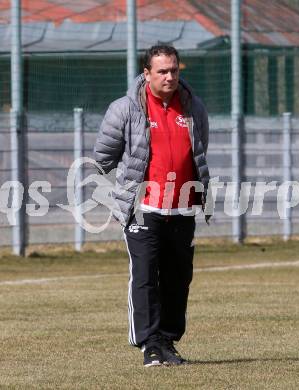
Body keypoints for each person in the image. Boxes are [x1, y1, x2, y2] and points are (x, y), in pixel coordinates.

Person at [94, 45, 210, 367]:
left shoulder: (193, 108)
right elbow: (102, 158)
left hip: (183, 207)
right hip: (143, 209)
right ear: (146, 74)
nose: (170, 76)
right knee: (145, 277)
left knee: (178, 277)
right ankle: (149, 345)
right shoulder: (125, 109)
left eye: (174, 70)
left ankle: (168, 341)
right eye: (162, 71)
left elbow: (199, 151)